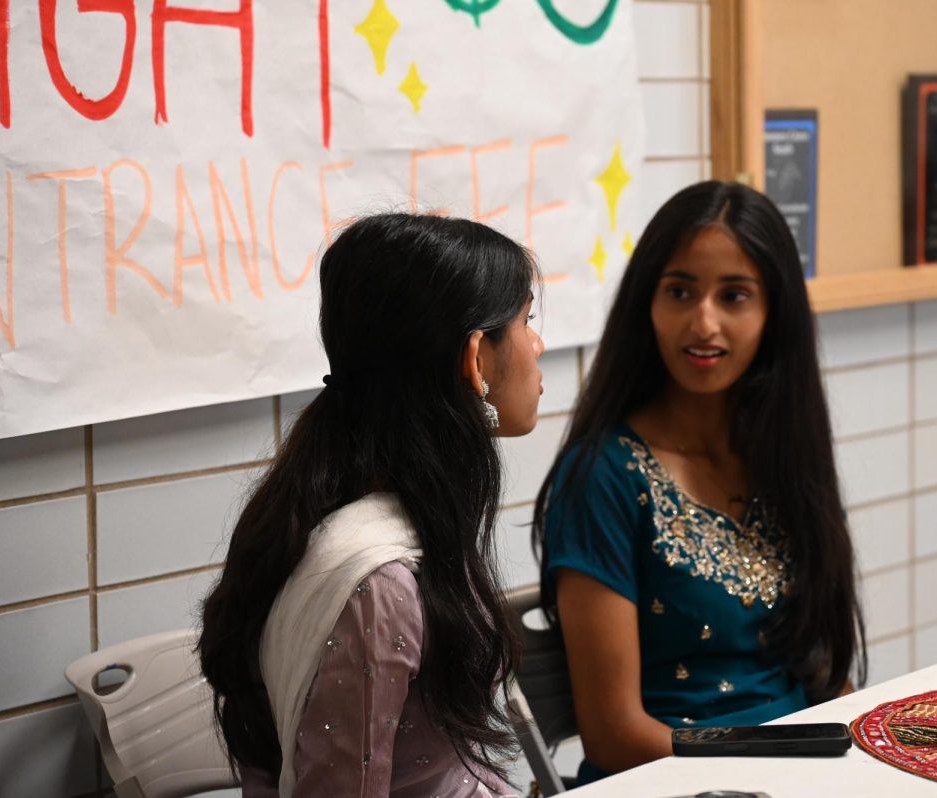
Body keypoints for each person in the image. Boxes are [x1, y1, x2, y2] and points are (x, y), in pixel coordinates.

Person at [198, 212, 544, 798]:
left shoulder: (361, 511)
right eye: (526, 322)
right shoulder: (378, 585)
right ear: (477, 359)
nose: (537, 345)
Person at [532, 180, 866, 782]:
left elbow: (824, 675)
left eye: (734, 295)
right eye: (680, 291)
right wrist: (781, 763)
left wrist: (864, 754)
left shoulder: (783, 454)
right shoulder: (603, 475)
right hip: (670, 782)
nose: (703, 322)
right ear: (647, 304)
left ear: (773, 313)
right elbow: (614, 737)